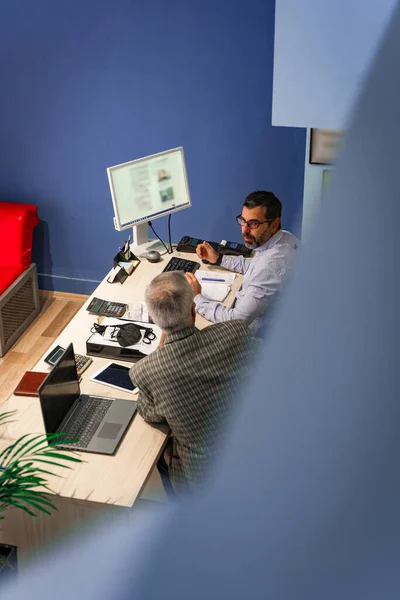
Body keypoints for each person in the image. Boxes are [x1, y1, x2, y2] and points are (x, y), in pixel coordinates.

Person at [129, 271, 255, 497]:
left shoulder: (145, 371)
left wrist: (160, 351)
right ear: (193, 311)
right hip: (256, 453)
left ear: (152, 317)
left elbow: (150, 414)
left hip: (203, 481)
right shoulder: (236, 331)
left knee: (162, 453)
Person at [186, 190, 299, 333]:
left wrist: (196, 297)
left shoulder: (269, 267)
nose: (244, 230)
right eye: (243, 221)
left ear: (274, 224)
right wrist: (218, 258)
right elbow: (254, 266)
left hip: (253, 335)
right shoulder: (284, 238)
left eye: (253, 224)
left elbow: (236, 321)